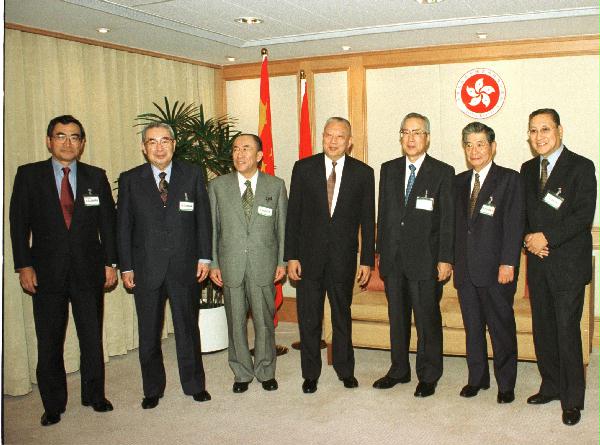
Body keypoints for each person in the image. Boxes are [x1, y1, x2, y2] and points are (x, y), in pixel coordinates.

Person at [9, 115, 117, 426]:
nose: (68, 143)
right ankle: (53, 404)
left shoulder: (96, 176)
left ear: (82, 144)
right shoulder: (29, 175)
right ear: (49, 141)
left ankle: (94, 395)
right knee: (49, 340)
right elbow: (18, 224)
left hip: (88, 271)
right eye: (61, 136)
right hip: (46, 274)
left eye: (74, 137)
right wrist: (24, 265)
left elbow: (108, 224)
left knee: (91, 337)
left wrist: (110, 263)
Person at [117, 122, 212, 409]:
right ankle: (152, 389)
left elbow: (203, 220)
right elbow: (123, 226)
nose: (159, 147)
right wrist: (126, 267)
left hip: (185, 266)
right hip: (146, 268)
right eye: (152, 142)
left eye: (165, 141)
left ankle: (194, 385)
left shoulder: (192, 174)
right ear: (143, 147)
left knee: (187, 329)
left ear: (174, 144)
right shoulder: (130, 179)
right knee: (149, 332)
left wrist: (204, 257)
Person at [285, 117, 375, 393]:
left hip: (343, 259)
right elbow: (293, 216)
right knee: (309, 318)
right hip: (308, 259)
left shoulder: (363, 173)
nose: (333, 141)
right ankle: (310, 374)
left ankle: (345, 370)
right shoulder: (303, 168)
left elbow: (367, 220)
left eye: (340, 136)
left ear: (350, 142)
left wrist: (367, 260)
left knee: (341, 317)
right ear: (322, 137)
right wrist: (291, 256)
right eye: (328, 135)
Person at [520, 108, 596, 426]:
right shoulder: (527, 169)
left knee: (566, 332)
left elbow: (582, 216)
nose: (539, 136)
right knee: (544, 330)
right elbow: (522, 213)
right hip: (538, 264)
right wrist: (528, 238)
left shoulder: (581, 166)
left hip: (567, 265)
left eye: (545, 129)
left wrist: (546, 237)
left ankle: (572, 399)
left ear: (559, 131)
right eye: (533, 130)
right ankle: (550, 386)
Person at [373, 112, 454, 398]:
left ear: (427, 138)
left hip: (426, 260)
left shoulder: (442, 172)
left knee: (426, 320)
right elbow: (384, 214)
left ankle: (429, 375)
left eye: (417, 132)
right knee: (397, 319)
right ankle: (399, 370)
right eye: (406, 132)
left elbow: (447, 221)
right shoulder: (388, 169)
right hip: (393, 259)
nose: (410, 138)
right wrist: (379, 251)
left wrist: (445, 258)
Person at [208, 133, 287, 393]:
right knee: (235, 322)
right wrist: (213, 263)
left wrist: (282, 261)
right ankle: (241, 372)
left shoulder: (275, 186)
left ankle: (266, 370)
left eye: (246, 148)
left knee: (264, 321)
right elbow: (212, 229)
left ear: (260, 155)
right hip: (230, 264)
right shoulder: (218, 186)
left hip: (264, 264)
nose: (239, 154)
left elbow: (282, 228)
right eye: (235, 149)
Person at [453, 122, 524, 404]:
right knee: (473, 328)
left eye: (480, 144)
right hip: (465, 269)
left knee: (500, 328)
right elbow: (457, 227)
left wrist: (508, 263)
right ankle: (477, 378)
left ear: (493, 147)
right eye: (469, 145)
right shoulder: (458, 182)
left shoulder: (509, 179)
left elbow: (514, 225)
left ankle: (506, 384)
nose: (474, 150)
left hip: (496, 270)